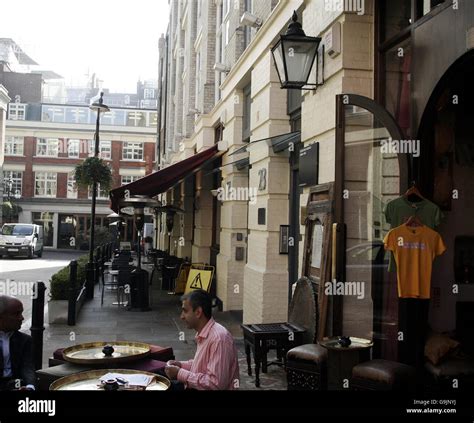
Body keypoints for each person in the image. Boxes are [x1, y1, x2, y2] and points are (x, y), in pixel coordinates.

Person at [164, 290, 240, 390]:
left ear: (198, 312)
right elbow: (202, 365)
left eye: (185, 311)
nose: (182, 316)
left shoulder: (219, 339)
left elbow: (215, 384)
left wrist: (179, 373)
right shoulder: (205, 333)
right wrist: (181, 365)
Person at [0, 295, 36, 390]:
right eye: (16, 314)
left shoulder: (25, 340)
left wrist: (29, 386)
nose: (21, 318)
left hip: (16, 383)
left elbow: (27, 366)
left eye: (21, 313)